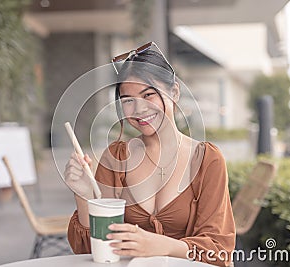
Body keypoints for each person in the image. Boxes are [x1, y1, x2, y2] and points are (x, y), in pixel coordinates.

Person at [64, 42, 235, 266]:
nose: (139, 109)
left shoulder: (206, 160)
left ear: (174, 91)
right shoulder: (115, 159)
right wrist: (84, 196)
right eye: (127, 101)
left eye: (148, 94)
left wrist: (160, 245)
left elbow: (218, 250)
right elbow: (91, 250)